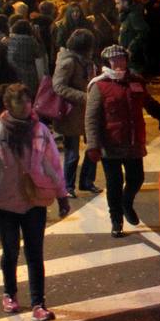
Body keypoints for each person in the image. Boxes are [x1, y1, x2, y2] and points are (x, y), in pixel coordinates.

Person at [0, 83, 69, 321]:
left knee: (35, 252)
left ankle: (38, 303)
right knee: (11, 250)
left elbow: (52, 164)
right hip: (3, 202)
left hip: (34, 199)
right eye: (20, 102)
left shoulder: (40, 130)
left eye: (28, 101)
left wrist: (61, 194)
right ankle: (10, 293)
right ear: (8, 105)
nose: (26, 106)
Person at [85, 44, 160, 237]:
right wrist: (93, 145)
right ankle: (116, 220)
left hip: (134, 141)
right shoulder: (99, 86)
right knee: (114, 182)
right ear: (107, 63)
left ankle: (127, 203)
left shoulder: (136, 82)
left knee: (136, 178)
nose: (119, 63)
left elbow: (150, 104)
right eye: (115, 60)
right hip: (111, 143)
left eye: (122, 59)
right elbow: (91, 118)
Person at [53, 30, 99, 196]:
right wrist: (84, 97)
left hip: (87, 111)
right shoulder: (68, 62)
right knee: (72, 152)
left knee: (93, 146)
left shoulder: (86, 60)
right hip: (72, 112)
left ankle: (87, 182)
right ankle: (68, 186)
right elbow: (58, 86)